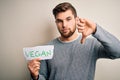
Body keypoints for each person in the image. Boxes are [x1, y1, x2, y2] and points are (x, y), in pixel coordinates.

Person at [27, 2, 120, 80]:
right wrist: (35, 76)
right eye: (59, 21)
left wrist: (96, 29)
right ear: (56, 22)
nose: (64, 25)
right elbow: (42, 77)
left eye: (68, 19)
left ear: (76, 20)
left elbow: (118, 52)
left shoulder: (91, 45)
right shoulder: (46, 49)